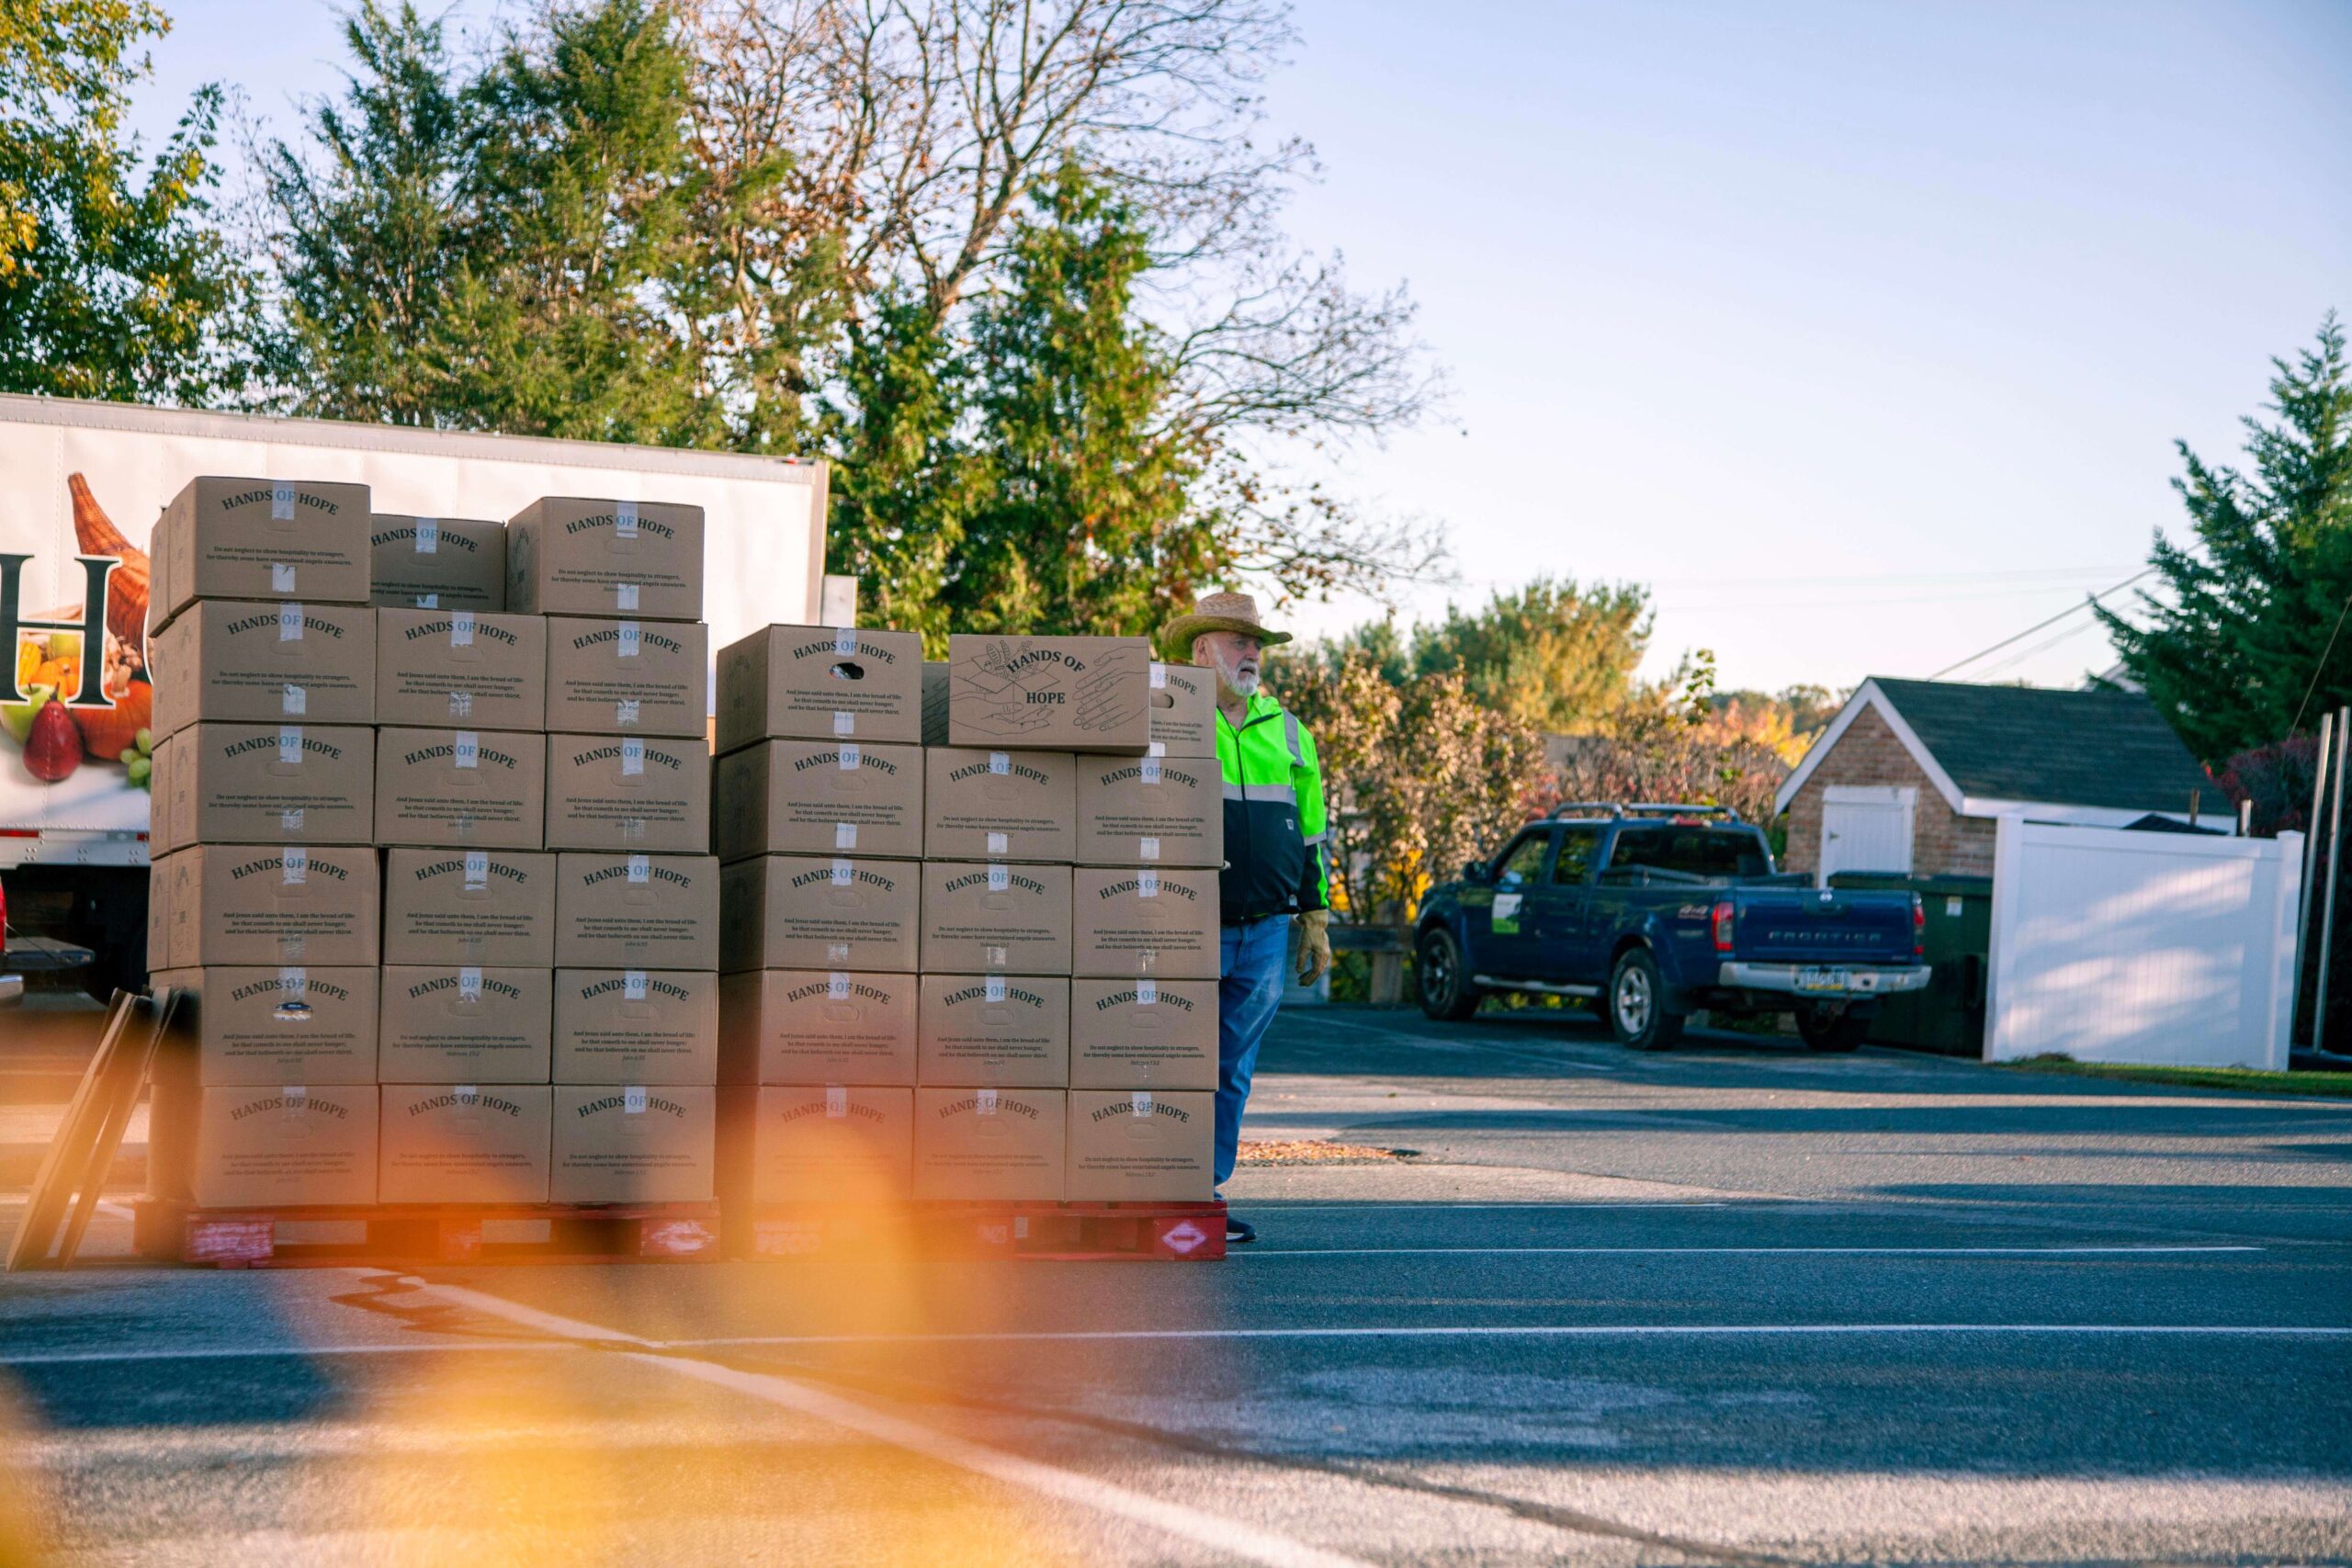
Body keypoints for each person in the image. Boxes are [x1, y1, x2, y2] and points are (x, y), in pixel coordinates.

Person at [1158, 592, 1331, 1246]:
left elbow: (1312, 834)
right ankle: (1153, 1182)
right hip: (1186, 919)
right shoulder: (1170, 718)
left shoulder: (1289, 731)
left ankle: (1203, 1194)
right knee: (1173, 1057)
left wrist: (1315, 916)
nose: (1252, 652)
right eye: (1238, 640)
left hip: (1265, 931)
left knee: (1231, 1067)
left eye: (1256, 642)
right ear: (1202, 650)